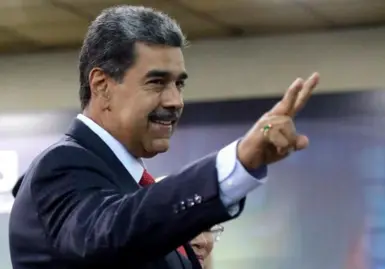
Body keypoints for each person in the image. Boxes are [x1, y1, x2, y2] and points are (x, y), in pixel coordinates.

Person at [8, 5, 319, 269]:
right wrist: (237, 162)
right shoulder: (61, 166)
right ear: (101, 85)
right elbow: (111, 234)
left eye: (179, 84)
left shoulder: (127, 187)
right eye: (157, 82)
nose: (175, 101)